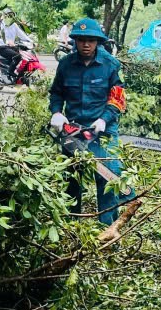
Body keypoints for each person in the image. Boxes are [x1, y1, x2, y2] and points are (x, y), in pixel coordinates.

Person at [48, 17, 133, 224]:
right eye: (82, 40)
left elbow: (118, 98)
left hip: (103, 131)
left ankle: (106, 228)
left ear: (98, 42)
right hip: (73, 131)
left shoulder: (110, 65)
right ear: (75, 41)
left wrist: (104, 119)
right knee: (72, 179)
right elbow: (56, 93)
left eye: (91, 40)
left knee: (107, 178)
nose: (86, 45)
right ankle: (72, 225)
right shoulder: (66, 65)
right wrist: (56, 112)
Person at [0, 11, 33, 77]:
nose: (10, 17)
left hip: (12, 47)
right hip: (3, 47)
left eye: (12, 16)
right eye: (8, 15)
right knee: (17, 56)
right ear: (5, 16)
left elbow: (22, 34)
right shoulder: (1, 24)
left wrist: (31, 41)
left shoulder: (14, 25)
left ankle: (20, 75)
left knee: (25, 56)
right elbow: (0, 35)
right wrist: (7, 42)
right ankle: (10, 71)